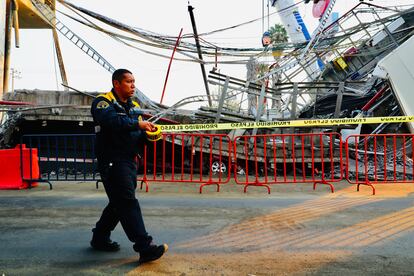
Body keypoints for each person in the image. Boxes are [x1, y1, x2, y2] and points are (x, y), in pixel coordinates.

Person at [90, 68, 168, 264]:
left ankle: (99, 237)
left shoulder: (134, 107)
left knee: (119, 203)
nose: (133, 85)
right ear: (117, 83)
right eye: (129, 82)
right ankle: (144, 246)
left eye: (134, 81)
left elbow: (138, 135)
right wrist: (139, 126)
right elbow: (111, 121)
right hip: (112, 161)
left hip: (129, 160)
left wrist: (151, 135)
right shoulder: (103, 102)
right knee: (126, 201)